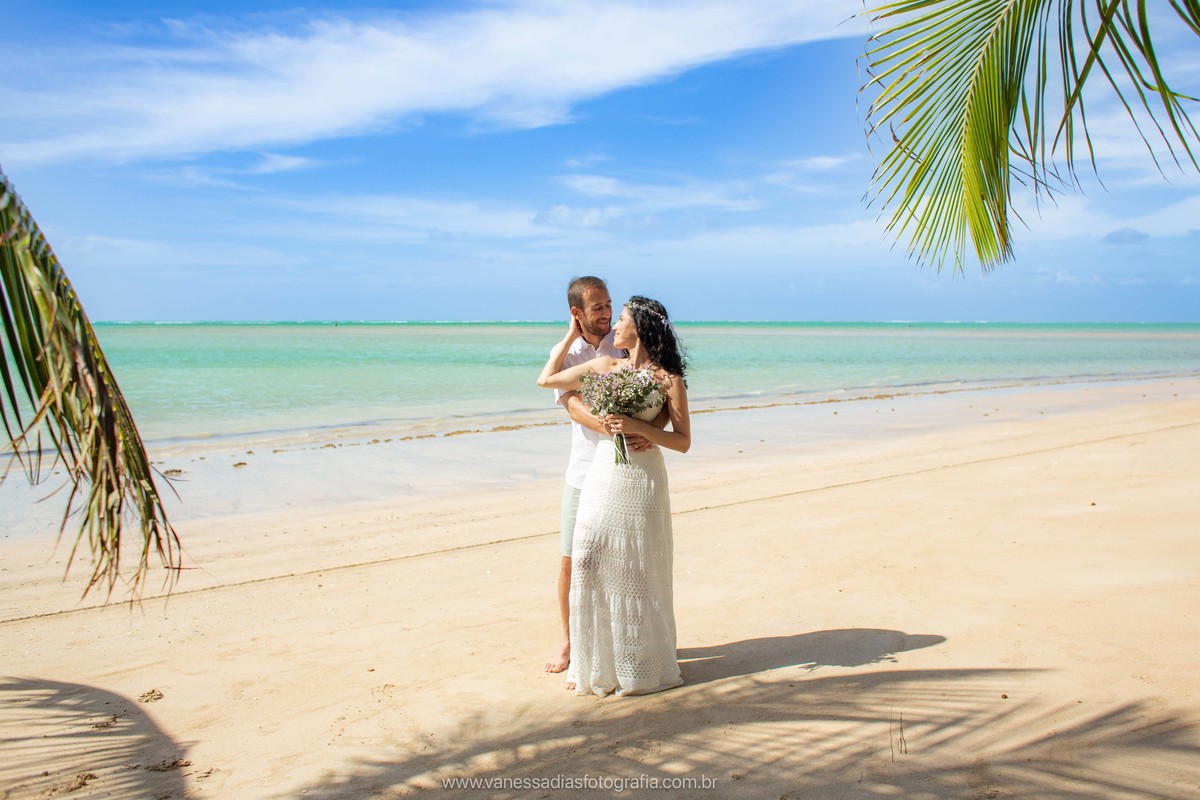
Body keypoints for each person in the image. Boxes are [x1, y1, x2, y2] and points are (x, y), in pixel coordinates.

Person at [537, 296, 691, 696]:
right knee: (587, 554)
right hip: (603, 471)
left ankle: (639, 662)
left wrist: (641, 431)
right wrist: (570, 334)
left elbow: (683, 441)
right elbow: (547, 381)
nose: (614, 325)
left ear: (639, 326)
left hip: (643, 476)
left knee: (639, 565)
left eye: (621, 318)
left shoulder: (668, 377)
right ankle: (592, 657)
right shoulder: (606, 366)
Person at [543, 276, 624, 674]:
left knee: (621, 561)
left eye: (609, 304)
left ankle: (619, 638)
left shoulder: (624, 343)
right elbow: (571, 405)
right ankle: (569, 641)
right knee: (570, 563)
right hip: (582, 471)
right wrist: (607, 425)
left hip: (623, 469)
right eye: (597, 307)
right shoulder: (566, 353)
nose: (607, 313)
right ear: (577, 313)